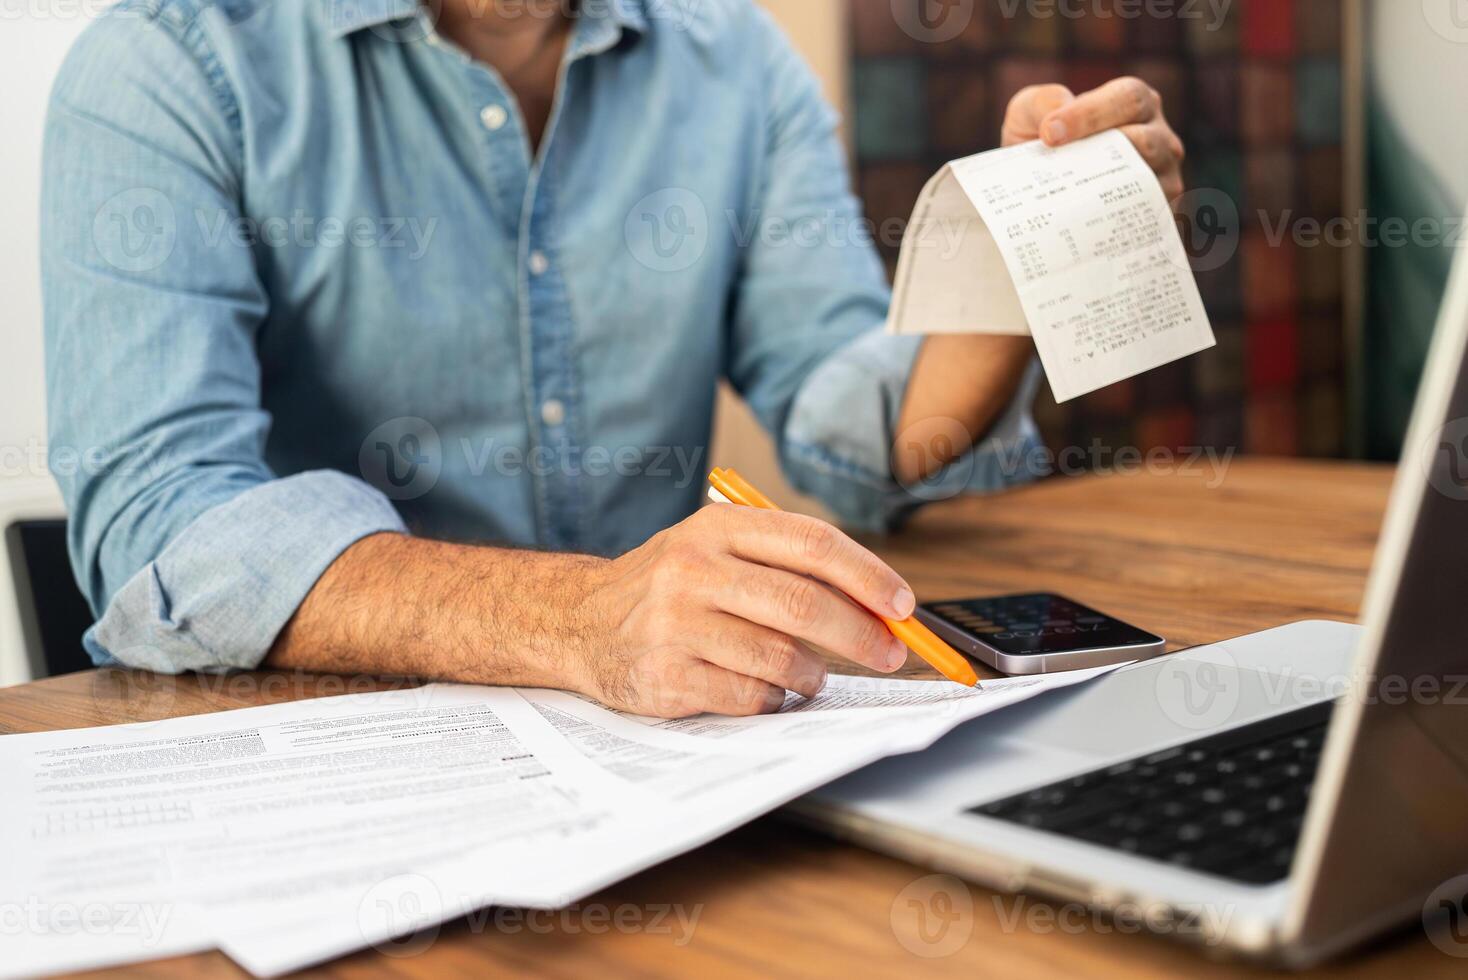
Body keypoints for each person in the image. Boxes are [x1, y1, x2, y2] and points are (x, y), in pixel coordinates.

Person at [41, 0, 1184, 717]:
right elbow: (156, 525)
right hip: (329, 773)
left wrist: (1016, 261)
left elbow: (858, 439)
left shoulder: (733, 57)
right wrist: (580, 617)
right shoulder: (165, 64)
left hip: (668, 761)